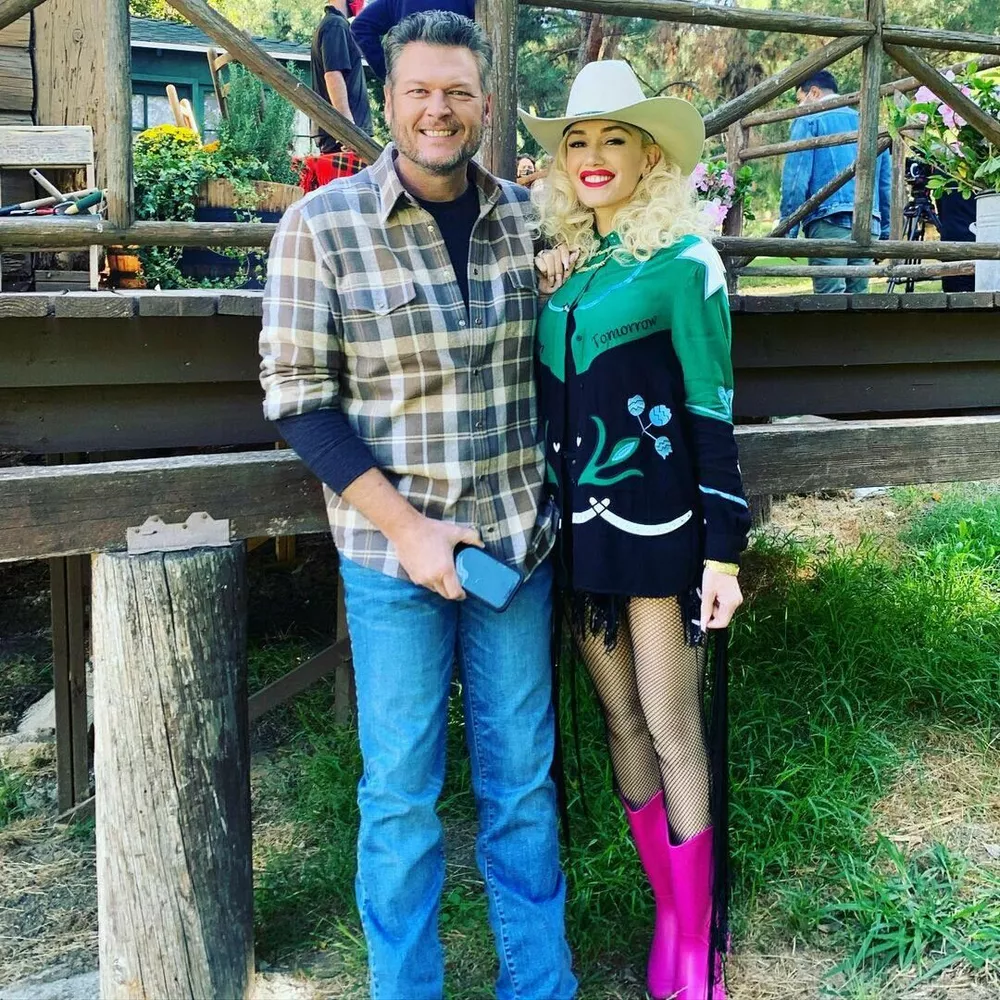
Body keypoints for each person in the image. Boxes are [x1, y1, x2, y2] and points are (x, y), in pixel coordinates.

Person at [260, 11, 576, 1000]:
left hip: (514, 548)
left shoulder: (530, 220)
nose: (439, 110)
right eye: (419, 92)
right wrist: (410, 530)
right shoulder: (322, 227)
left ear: (486, 104)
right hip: (393, 559)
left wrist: (575, 266)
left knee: (522, 787)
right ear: (389, 102)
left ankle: (541, 986)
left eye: (458, 92)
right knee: (400, 796)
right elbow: (298, 400)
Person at [521, 60, 750, 1000]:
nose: (593, 156)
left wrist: (724, 551)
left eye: (614, 138)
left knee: (670, 725)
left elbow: (711, 409)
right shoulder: (567, 273)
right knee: (619, 719)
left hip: (660, 536)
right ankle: (667, 910)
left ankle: (696, 942)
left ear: (650, 155)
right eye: (578, 140)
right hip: (581, 539)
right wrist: (547, 274)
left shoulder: (686, 264)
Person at [779, 69, 892, 294]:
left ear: (814, 92)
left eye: (800, 99)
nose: (799, 106)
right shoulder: (869, 123)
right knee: (858, 299)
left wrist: (788, 227)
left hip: (828, 219)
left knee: (829, 299)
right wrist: (886, 229)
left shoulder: (809, 120)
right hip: (869, 222)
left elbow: (796, 178)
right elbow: (885, 182)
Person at [351, 0, 475, 81]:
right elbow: (361, 26)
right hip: (455, 77)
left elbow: (361, 26)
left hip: (414, 80)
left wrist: (389, 73)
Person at [311, 0, 373, 159]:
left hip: (345, 137)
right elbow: (333, 75)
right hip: (344, 141)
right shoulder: (335, 25)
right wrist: (348, 130)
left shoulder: (336, 24)